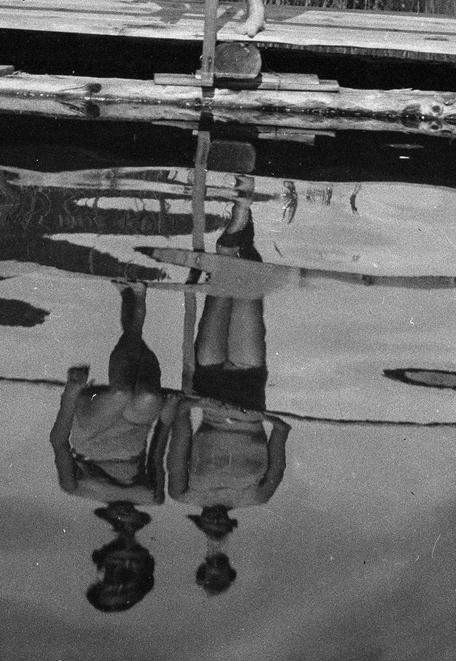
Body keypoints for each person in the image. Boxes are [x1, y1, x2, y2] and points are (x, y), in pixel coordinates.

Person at [167, 190, 290, 594]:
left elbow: (180, 432)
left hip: (209, 389)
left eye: (209, 567)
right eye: (223, 568)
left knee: (221, 289)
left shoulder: (182, 492)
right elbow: (282, 434)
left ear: (203, 556)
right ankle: (242, 226)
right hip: (250, 390)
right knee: (250, 295)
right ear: (230, 561)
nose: (217, 525)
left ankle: (236, 228)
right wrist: (268, 420)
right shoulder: (259, 496)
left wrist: (187, 404)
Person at [50, 281, 175, 509]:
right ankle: (131, 304)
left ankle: (136, 299)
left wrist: (71, 393)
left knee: (121, 393)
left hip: (90, 434)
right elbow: (156, 457)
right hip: (132, 436)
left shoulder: (75, 488)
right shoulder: (151, 498)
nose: (127, 518)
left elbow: (58, 443)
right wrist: (167, 420)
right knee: (149, 397)